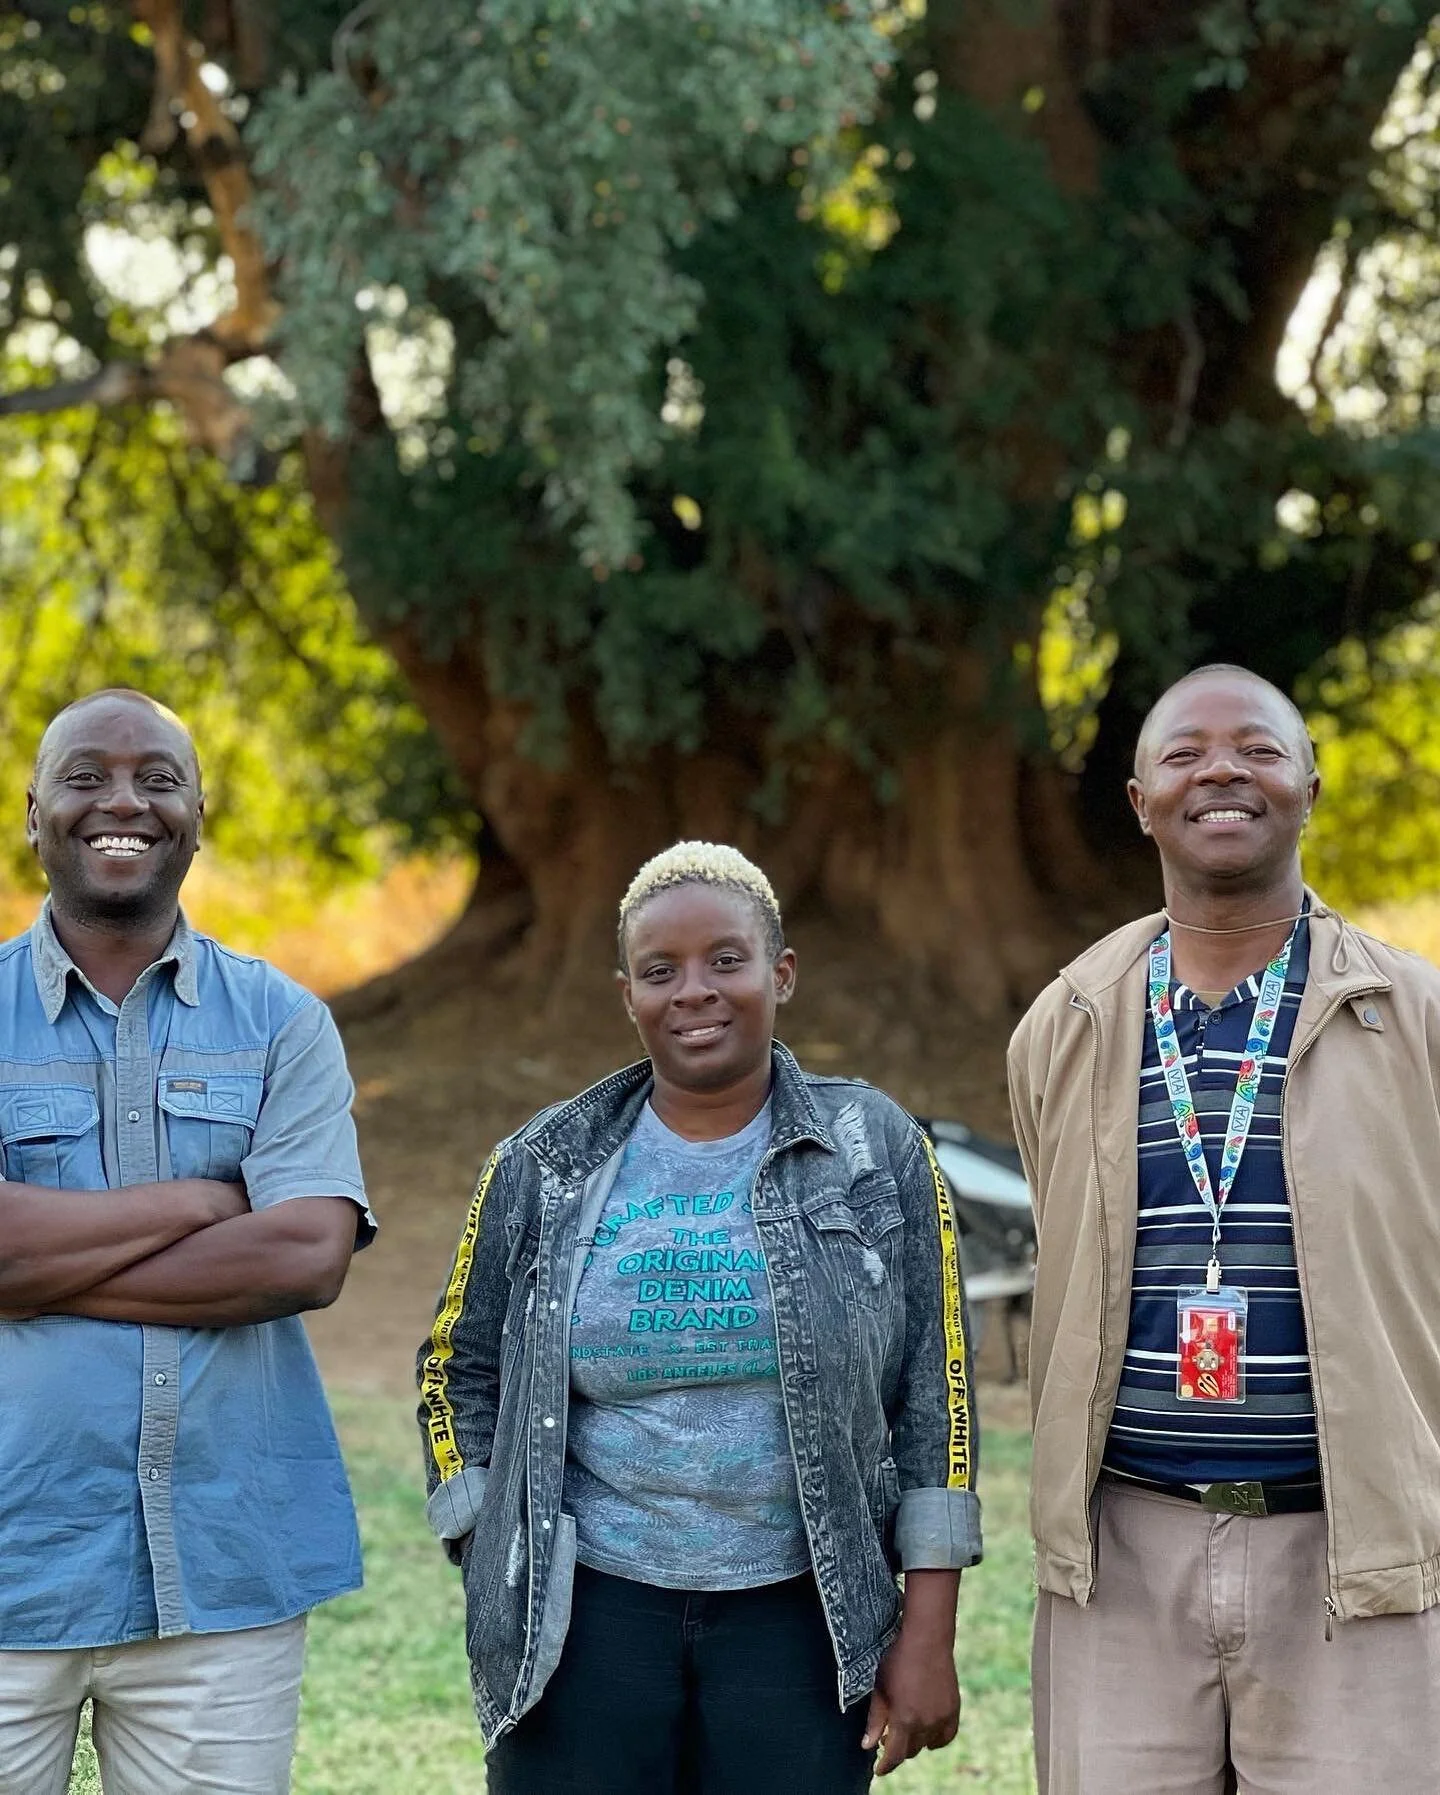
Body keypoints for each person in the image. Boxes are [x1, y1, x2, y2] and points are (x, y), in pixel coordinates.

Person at [417, 841, 980, 1793]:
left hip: (801, 1614)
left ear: (781, 973)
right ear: (627, 994)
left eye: (727, 959)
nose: (695, 992)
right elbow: (452, 1365)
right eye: (660, 970)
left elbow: (939, 1389)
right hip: (583, 1616)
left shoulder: (872, 1148)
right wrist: (489, 1542)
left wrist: (927, 1629)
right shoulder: (543, 1162)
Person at [1008, 662, 1440, 1795]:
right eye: (1185, 753)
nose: (1221, 772)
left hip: (1357, 1562)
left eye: (1256, 748)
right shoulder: (1066, 1021)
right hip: (1122, 1562)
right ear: (1141, 800)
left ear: (1310, 787)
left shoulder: (1413, 1016)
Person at [0, 689, 375, 1795]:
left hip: (221, 1578)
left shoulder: (283, 1023)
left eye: (158, 780)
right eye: (86, 777)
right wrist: (203, 1203)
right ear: (34, 813)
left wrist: (30, 1272)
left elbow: (305, 1256)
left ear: (198, 817)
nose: (124, 801)